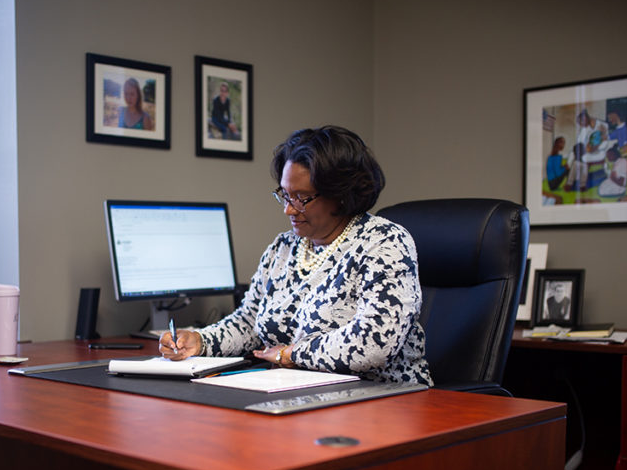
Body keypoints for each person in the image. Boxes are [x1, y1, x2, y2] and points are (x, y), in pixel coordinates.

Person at [158, 126, 432, 386]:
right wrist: (200, 340)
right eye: (285, 196)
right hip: (300, 394)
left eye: (301, 198)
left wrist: (290, 355)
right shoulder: (283, 247)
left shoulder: (384, 242)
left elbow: (374, 344)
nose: (289, 210)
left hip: (386, 398)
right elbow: (250, 322)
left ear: (340, 194)